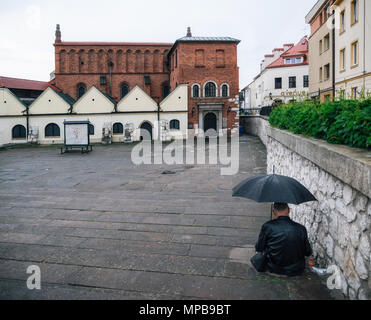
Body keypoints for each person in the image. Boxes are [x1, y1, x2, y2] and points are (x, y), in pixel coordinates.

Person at [254, 202, 312, 277]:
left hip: (273, 268)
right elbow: (307, 252)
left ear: (273, 212)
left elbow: (259, 248)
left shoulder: (267, 226)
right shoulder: (301, 228)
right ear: (288, 211)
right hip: (296, 269)